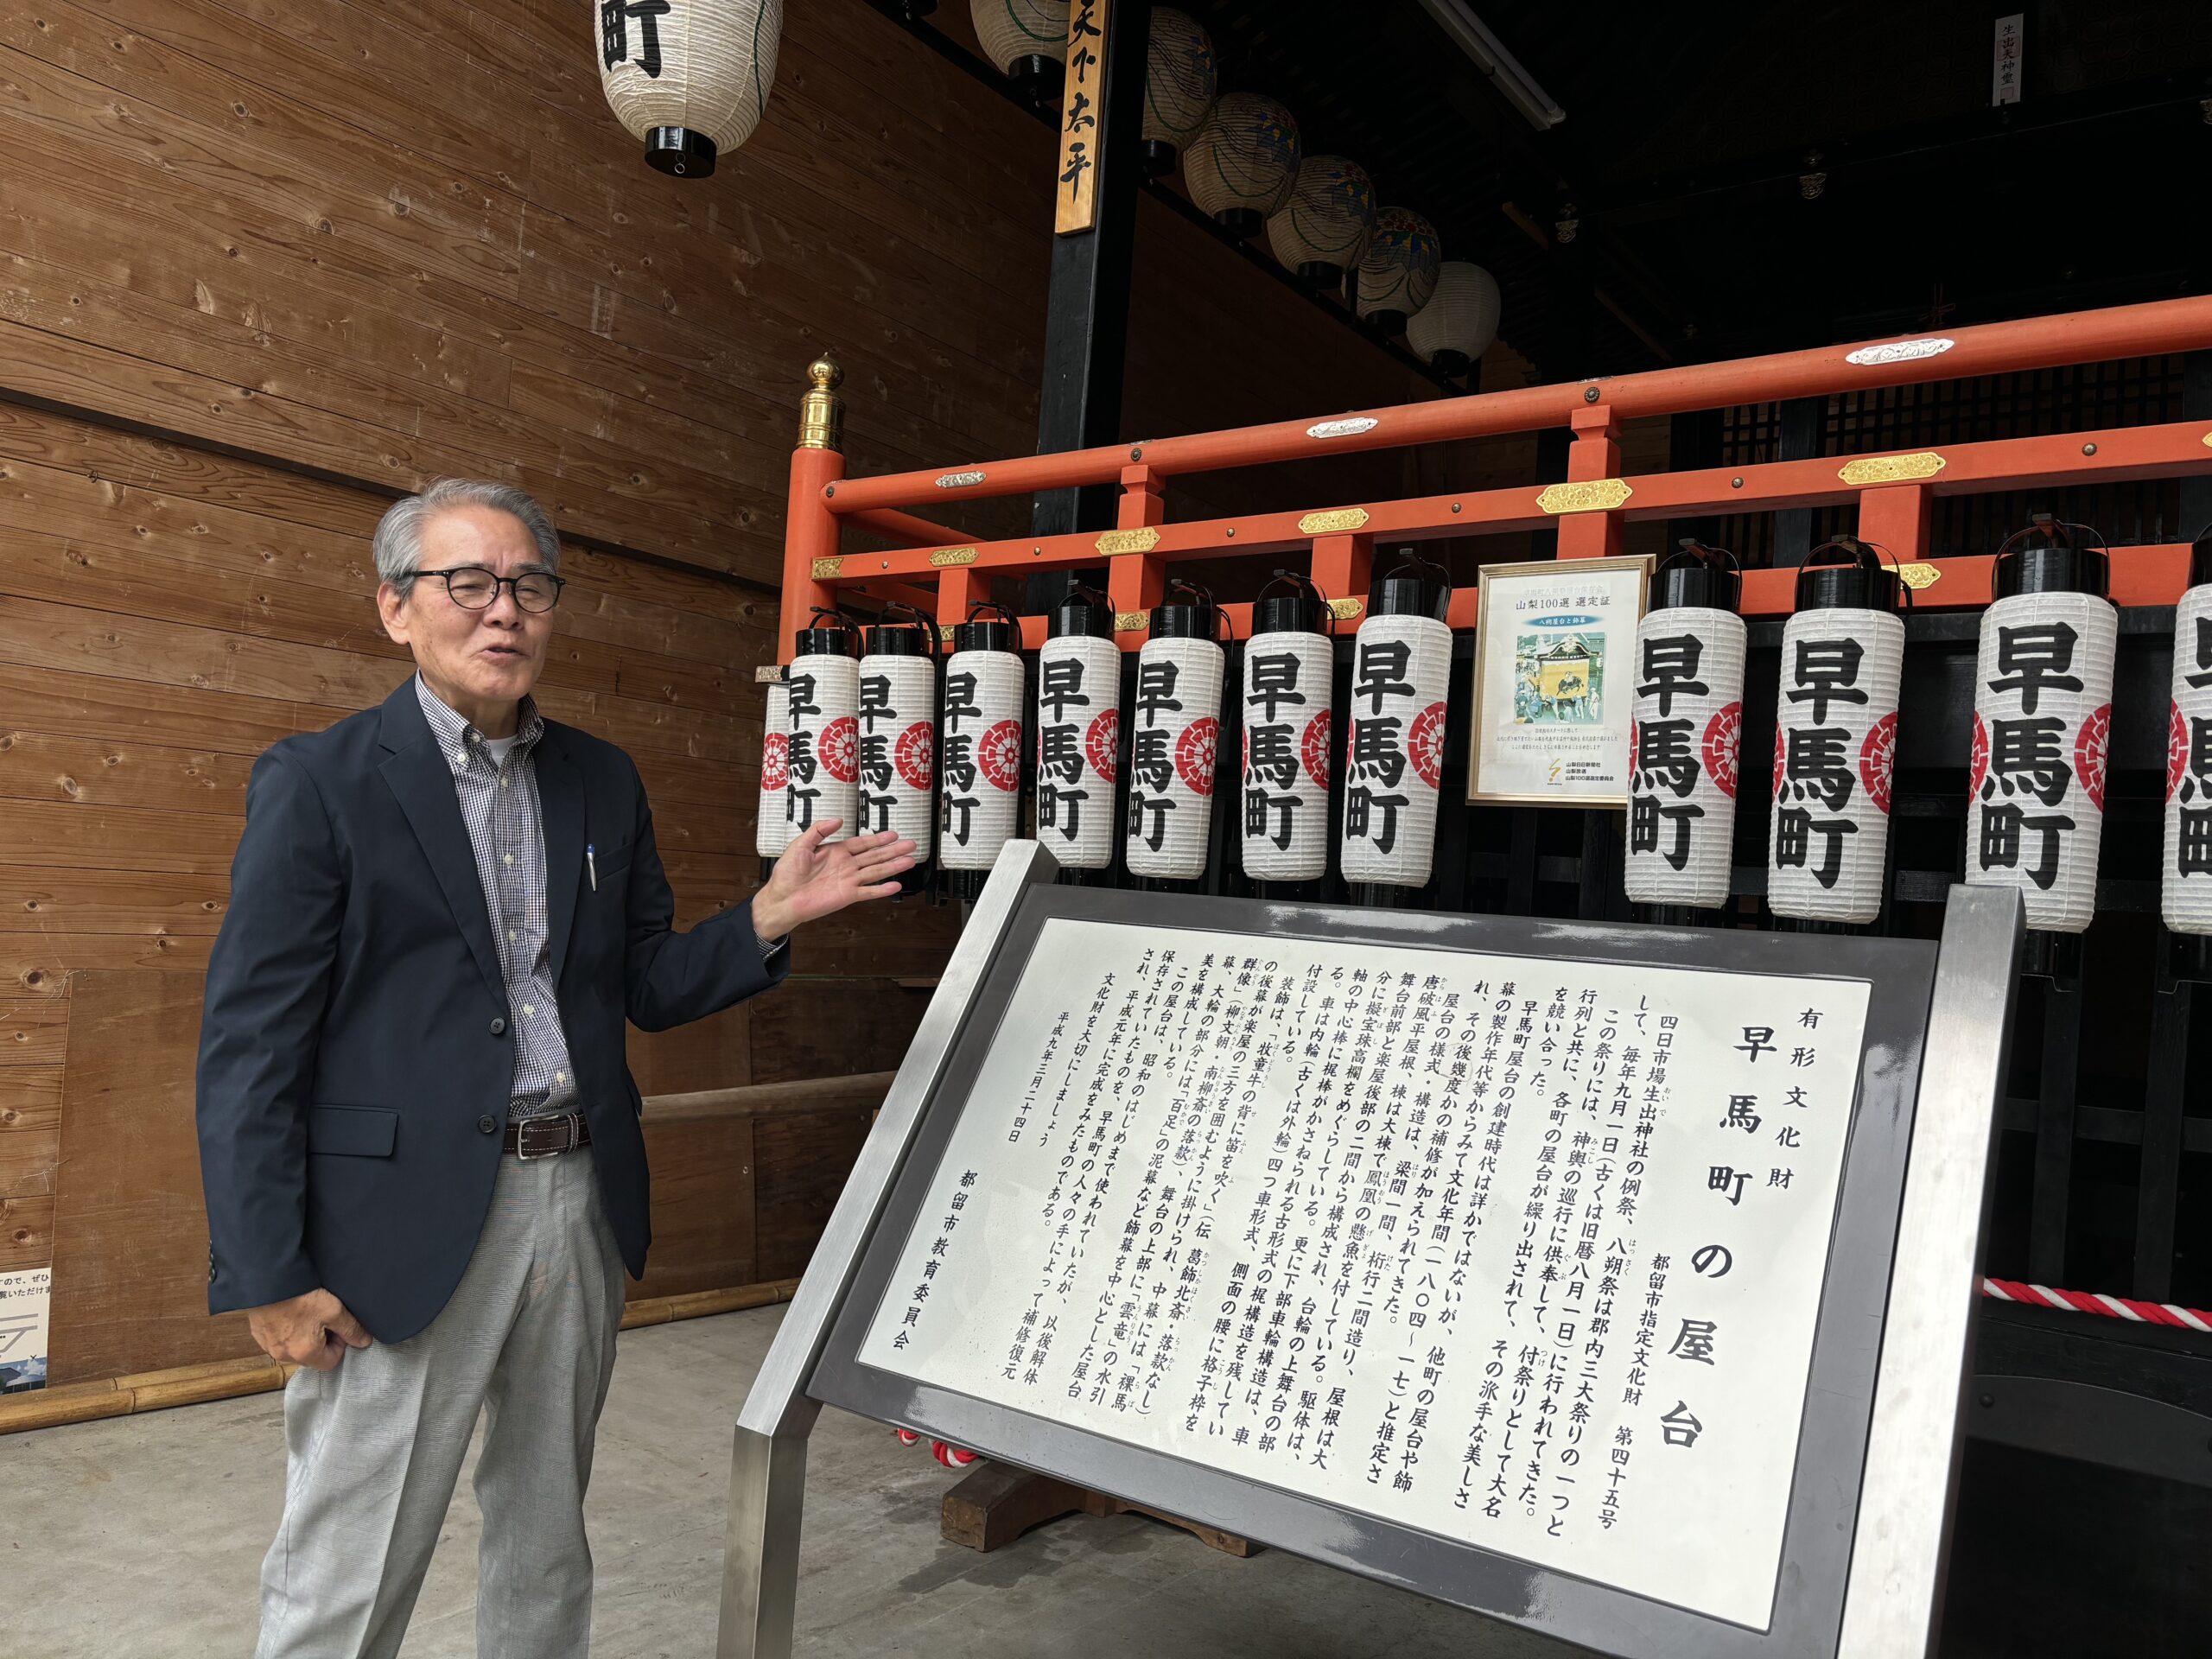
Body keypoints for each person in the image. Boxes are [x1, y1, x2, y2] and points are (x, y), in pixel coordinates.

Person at [194, 478, 913, 1658]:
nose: (503, 611)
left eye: (529, 584)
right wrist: (267, 1269)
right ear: (395, 610)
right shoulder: (320, 783)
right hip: (399, 1220)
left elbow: (642, 984)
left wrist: (768, 919)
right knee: (351, 1554)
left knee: (545, 1534)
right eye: (466, 583)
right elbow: (249, 1043)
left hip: (573, 1202)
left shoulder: (600, 781)